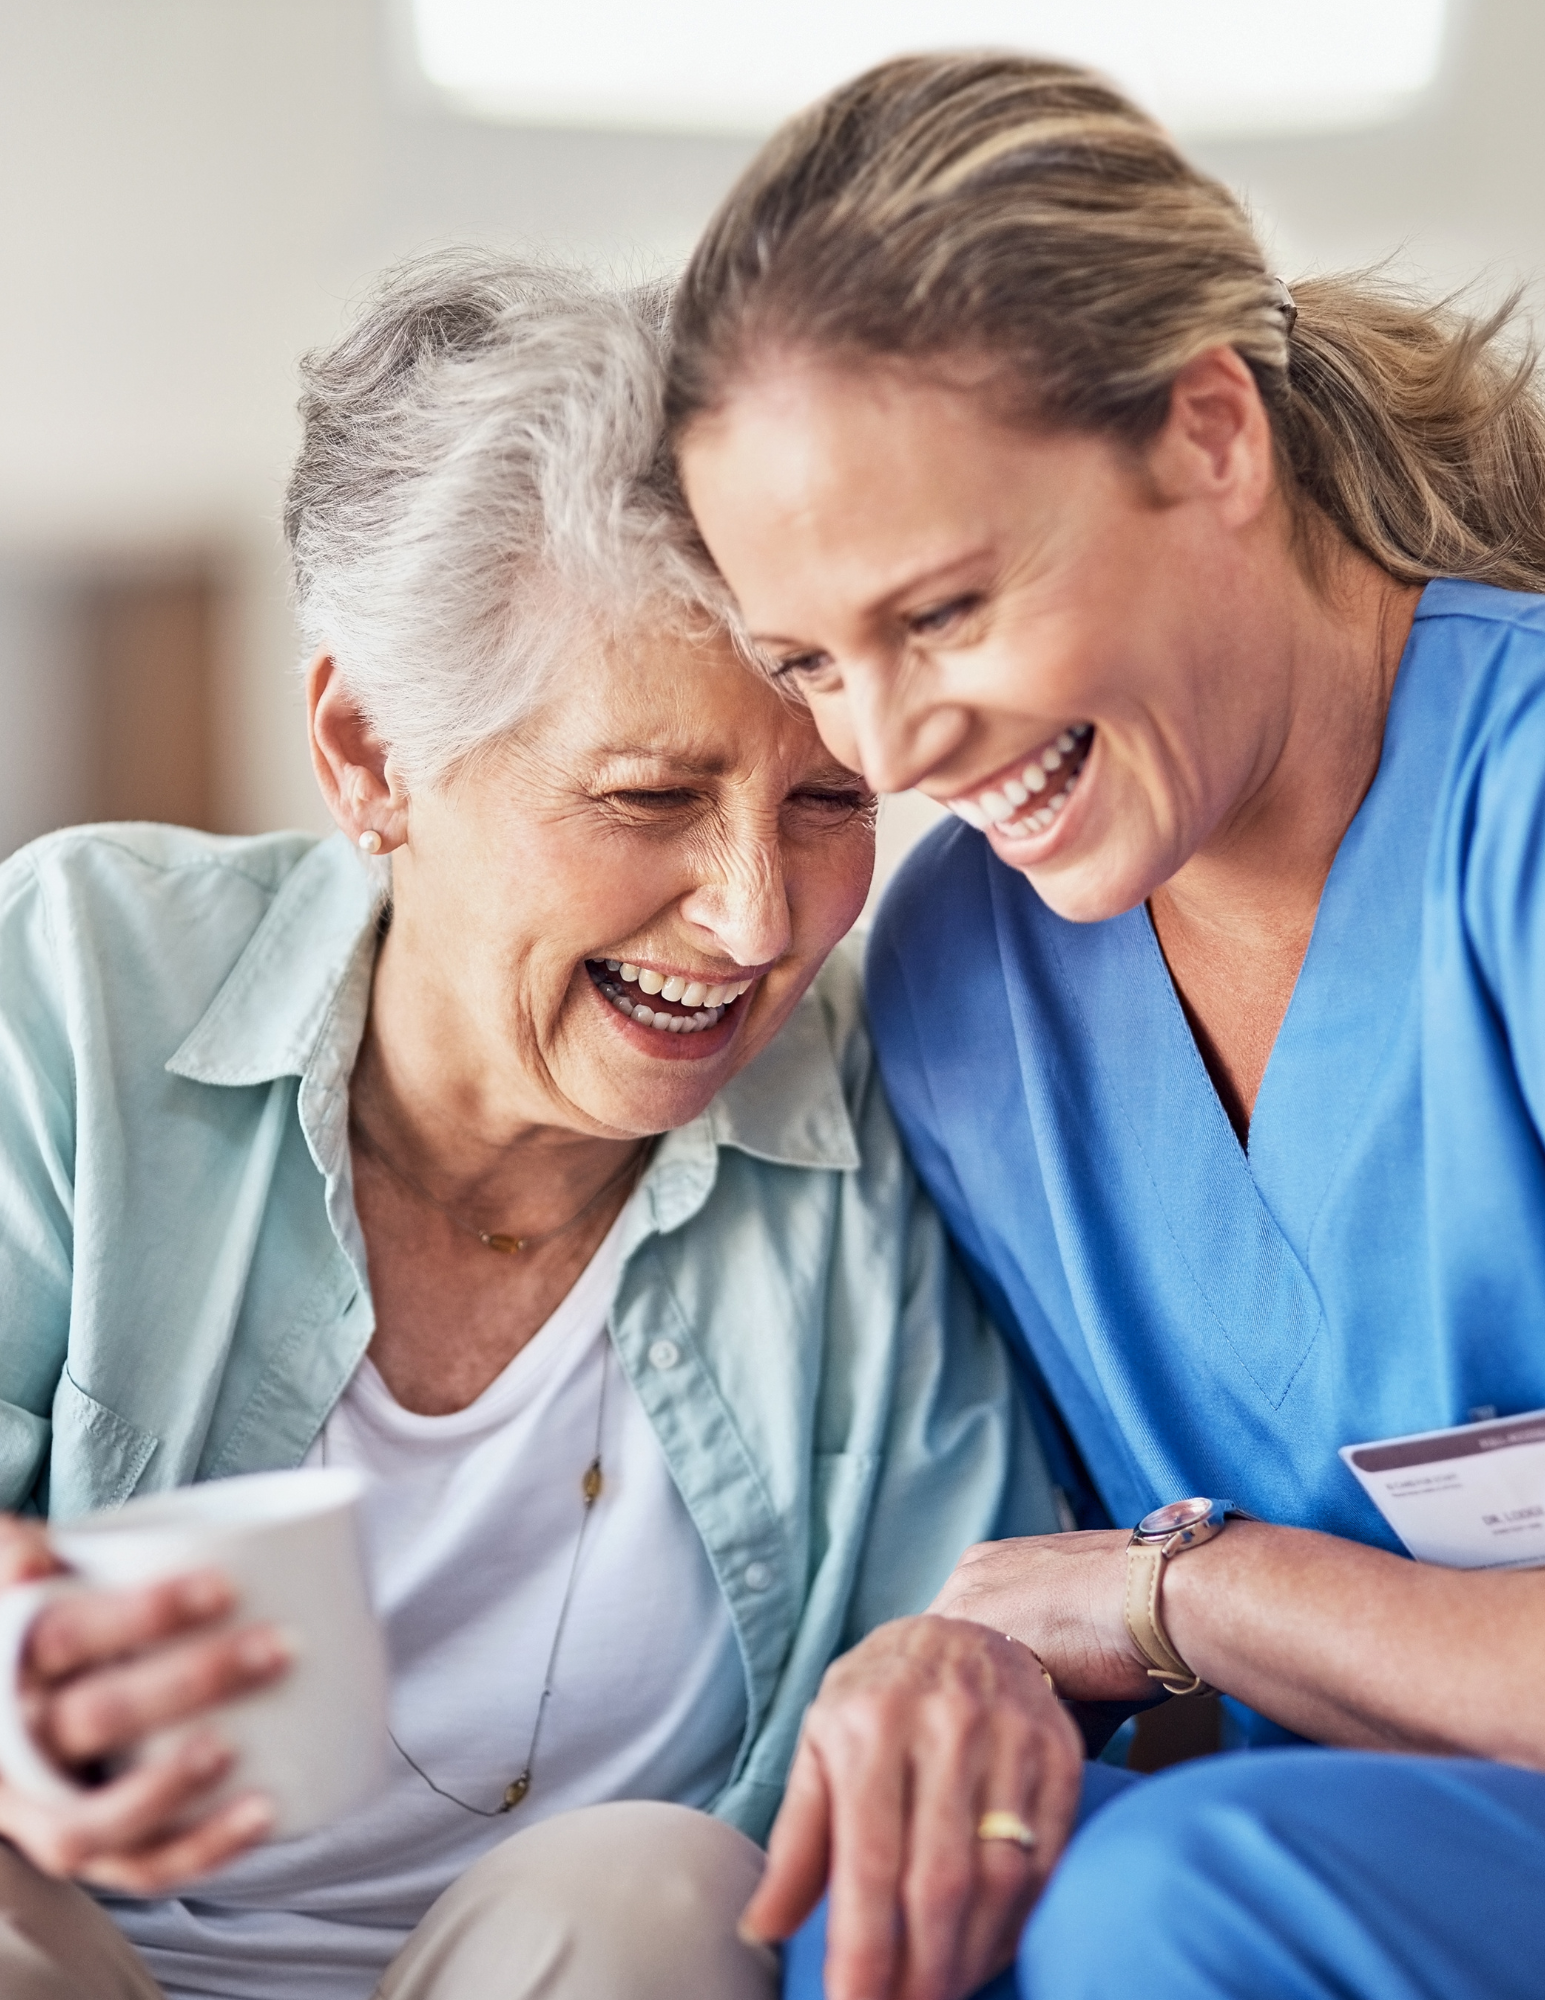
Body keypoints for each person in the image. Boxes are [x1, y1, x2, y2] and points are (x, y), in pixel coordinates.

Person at [0, 252, 1052, 2000]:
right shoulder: (79, 983)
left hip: (587, 1967)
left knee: (657, 1890)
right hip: (73, 1936)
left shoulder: (887, 1109)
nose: (755, 920)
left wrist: (981, 1676)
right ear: (370, 755)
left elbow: (970, 1629)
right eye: (648, 796)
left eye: (827, 802)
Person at [667, 51, 1545, 2000]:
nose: (886, 748)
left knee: (1179, 1903)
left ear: (1210, 435)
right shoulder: (970, 982)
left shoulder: (1523, 823)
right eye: (811, 661)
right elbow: (1068, 1596)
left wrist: (1189, 1598)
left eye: (947, 612)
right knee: (886, 1907)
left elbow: (1146, 1600)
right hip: (1326, 1827)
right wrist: (961, 1667)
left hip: (1344, 1863)